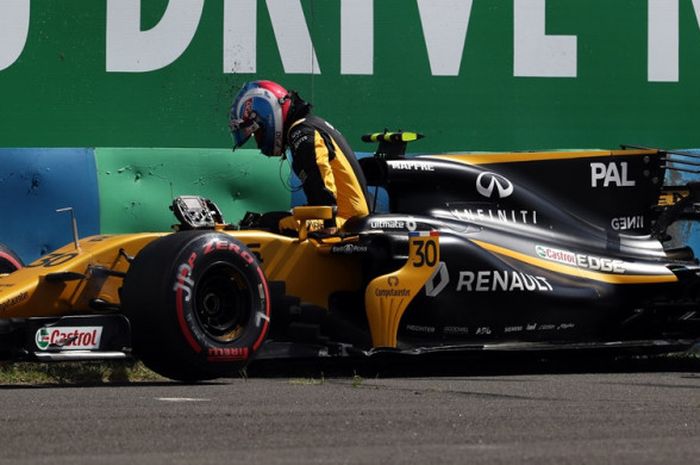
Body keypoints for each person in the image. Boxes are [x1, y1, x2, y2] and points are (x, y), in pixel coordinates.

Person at [229, 80, 370, 233]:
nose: (258, 142)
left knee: (267, 225)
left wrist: (327, 223)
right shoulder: (307, 126)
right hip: (343, 216)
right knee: (267, 220)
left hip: (345, 222)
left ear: (267, 116)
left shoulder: (302, 132)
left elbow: (321, 177)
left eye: (257, 132)